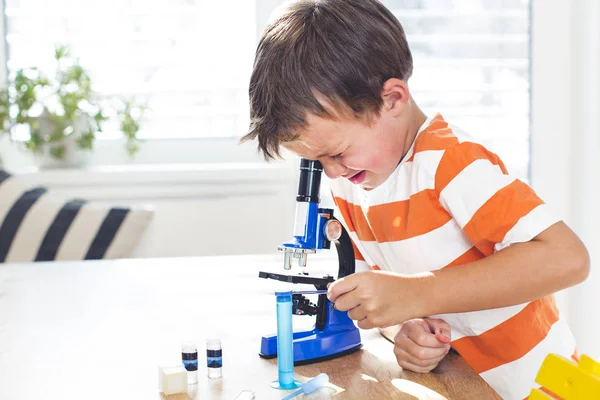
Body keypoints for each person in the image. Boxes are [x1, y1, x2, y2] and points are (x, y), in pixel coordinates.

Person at [242, 0, 590, 398]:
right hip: (462, 383)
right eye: (316, 161)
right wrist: (404, 329)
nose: (332, 172)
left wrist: (417, 293)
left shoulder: (450, 164)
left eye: (336, 153)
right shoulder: (351, 183)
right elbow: (381, 296)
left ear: (392, 99)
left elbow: (567, 258)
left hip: (543, 386)